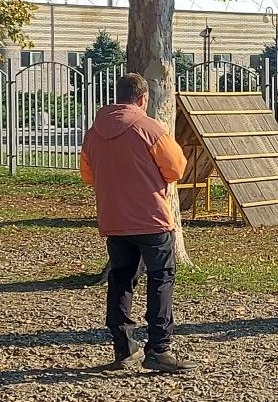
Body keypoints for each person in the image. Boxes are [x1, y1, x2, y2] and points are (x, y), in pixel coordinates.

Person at [79, 73, 196, 373]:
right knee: (161, 279)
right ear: (143, 98)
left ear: (117, 96)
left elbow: (88, 176)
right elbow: (176, 168)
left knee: (121, 280)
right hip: (151, 218)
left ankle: (124, 348)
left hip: (114, 218)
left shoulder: (94, 133)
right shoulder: (149, 128)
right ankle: (158, 348)